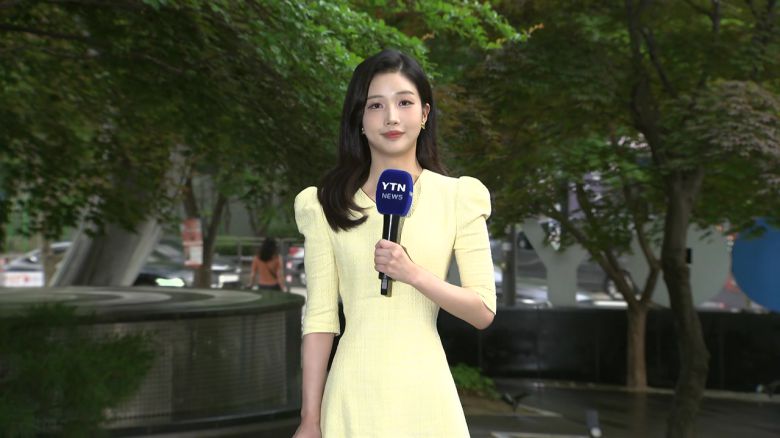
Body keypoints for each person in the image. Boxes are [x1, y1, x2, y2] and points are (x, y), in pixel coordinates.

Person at [292, 49, 496, 438]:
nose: (391, 117)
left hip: (426, 396)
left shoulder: (459, 197)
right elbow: (319, 319)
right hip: (352, 394)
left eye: (404, 102)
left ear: (424, 114)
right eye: (375, 105)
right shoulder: (324, 205)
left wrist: (412, 273)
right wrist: (310, 419)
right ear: (359, 119)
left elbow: (482, 311)